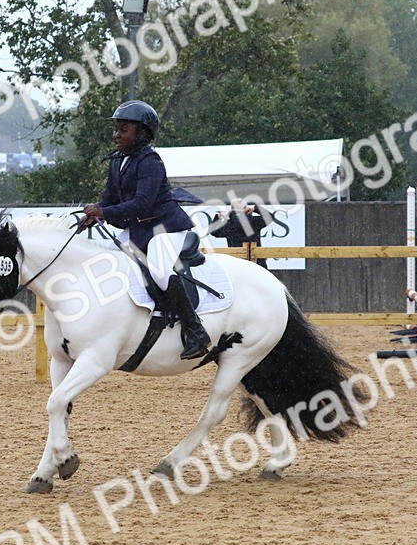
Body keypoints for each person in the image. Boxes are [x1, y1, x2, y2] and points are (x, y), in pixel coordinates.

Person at [82, 100, 211, 360]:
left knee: (161, 271)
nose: (116, 135)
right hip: (140, 229)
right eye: (116, 129)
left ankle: (196, 331)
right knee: (104, 259)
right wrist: (96, 211)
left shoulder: (150, 161)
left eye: (123, 130)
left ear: (142, 133)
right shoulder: (118, 160)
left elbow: (142, 203)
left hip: (164, 227)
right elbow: (109, 197)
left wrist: (105, 213)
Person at [208, 198, 276, 268]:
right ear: (246, 208)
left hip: (237, 263)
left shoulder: (228, 225)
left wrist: (219, 218)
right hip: (257, 263)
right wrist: (255, 208)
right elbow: (270, 217)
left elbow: (213, 232)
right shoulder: (254, 222)